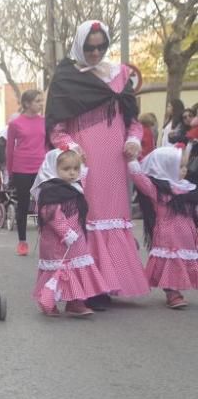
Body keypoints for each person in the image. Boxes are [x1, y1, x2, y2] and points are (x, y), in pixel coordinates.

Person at [46, 20, 149, 309]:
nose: (95, 53)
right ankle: (88, 287)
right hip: (83, 164)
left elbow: (133, 122)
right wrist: (72, 149)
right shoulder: (66, 78)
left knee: (111, 218)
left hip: (115, 162)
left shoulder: (120, 75)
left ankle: (110, 282)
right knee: (87, 218)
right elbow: (56, 130)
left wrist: (134, 141)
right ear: (80, 45)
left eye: (101, 47)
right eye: (89, 48)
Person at [31, 148, 108, 317]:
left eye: (75, 169)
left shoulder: (75, 187)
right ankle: (48, 300)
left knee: (76, 269)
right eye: (66, 169)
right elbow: (52, 215)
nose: (72, 173)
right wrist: (65, 232)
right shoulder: (50, 191)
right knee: (56, 271)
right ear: (53, 168)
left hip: (77, 239)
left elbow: (83, 177)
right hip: (56, 241)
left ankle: (75, 302)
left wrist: (83, 163)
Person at [129, 146, 198, 309]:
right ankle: (172, 293)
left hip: (188, 235)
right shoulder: (158, 190)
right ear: (166, 167)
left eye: (185, 166)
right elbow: (139, 179)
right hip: (168, 236)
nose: (185, 170)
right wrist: (132, 160)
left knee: (185, 263)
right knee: (171, 264)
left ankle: (176, 289)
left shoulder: (188, 188)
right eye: (180, 166)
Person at [6, 89, 46, 256]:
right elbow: (9, 149)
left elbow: (49, 144)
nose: (41, 104)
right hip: (21, 168)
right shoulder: (15, 123)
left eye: (41, 100)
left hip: (41, 168)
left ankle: (46, 240)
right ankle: (22, 242)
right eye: (37, 101)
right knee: (23, 205)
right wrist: (10, 172)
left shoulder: (45, 121)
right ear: (27, 104)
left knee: (45, 205)